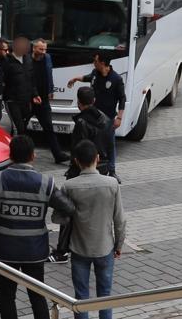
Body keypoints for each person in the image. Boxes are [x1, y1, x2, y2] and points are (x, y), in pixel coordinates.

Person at [0, 135, 75, 319]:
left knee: (6, 297)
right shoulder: (46, 183)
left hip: (4, 250)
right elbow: (68, 207)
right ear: (33, 156)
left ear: (10, 155)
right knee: (37, 296)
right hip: (34, 250)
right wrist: (57, 217)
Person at [52, 140, 125, 319]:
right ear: (97, 158)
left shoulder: (69, 186)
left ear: (76, 161)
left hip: (79, 248)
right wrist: (118, 245)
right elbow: (120, 220)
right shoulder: (111, 184)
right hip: (105, 247)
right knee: (105, 295)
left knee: (81, 297)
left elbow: (57, 218)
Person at [47, 87, 114, 264]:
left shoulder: (81, 123)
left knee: (68, 210)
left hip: (81, 173)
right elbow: (111, 146)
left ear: (79, 102)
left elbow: (79, 152)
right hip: (103, 170)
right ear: (93, 101)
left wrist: (72, 174)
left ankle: (62, 251)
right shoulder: (106, 120)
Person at [67, 52, 125, 177]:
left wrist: (119, 117)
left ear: (102, 63)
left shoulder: (116, 79)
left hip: (108, 119)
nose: (94, 63)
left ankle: (112, 170)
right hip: (93, 115)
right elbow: (87, 77)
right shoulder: (95, 74)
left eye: (96, 61)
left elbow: (122, 99)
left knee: (110, 144)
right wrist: (76, 78)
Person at [31, 39, 70, 163]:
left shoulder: (47, 58)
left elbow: (50, 73)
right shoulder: (27, 60)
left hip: (43, 100)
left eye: (45, 49)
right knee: (20, 129)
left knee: (49, 128)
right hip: (29, 100)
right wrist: (31, 95)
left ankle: (57, 155)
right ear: (34, 48)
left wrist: (51, 90)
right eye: (40, 49)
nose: (43, 52)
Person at [3, 36, 40, 136]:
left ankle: (16, 146)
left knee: (23, 126)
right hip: (12, 100)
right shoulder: (7, 61)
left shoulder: (28, 59)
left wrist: (35, 94)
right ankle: (16, 148)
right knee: (17, 128)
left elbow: (32, 79)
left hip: (25, 100)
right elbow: (2, 80)